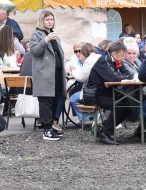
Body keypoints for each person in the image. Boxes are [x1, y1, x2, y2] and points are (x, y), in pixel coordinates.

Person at [84, 41, 132, 145]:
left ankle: (104, 128)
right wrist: (120, 78)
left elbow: (128, 74)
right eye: (122, 55)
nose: (123, 58)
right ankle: (106, 134)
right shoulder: (104, 60)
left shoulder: (117, 61)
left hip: (108, 92)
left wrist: (120, 77)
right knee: (119, 105)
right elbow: (114, 78)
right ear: (114, 53)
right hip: (95, 94)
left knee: (128, 105)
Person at [28, 10, 66, 141]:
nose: (50, 22)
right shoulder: (36, 34)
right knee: (46, 102)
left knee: (55, 100)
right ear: (42, 21)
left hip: (56, 73)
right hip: (44, 74)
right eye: (47, 19)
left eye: (52, 19)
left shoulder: (55, 36)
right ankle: (46, 130)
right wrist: (45, 40)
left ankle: (51, 127)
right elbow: (35, 51)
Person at [68, 43, 98, 121]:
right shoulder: (78, 60)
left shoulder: (88, 61)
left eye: (80, 51)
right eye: (76, 51)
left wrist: (73, 70)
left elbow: (82, 78)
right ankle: (87, 116)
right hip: (88, 86)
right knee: (72, 91)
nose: (78, 53)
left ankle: (86, 118)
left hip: (92, 89)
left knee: (73, 98)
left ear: (85, 51)